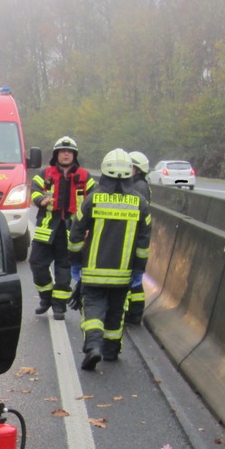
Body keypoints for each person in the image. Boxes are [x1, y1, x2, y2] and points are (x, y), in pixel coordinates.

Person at [68, 148, 152, 371]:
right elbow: (143, 244)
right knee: (116, 311)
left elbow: (76, 235)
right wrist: (138, 270)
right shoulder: (141, 204)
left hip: (94, 273)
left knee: (94, 311)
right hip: (123, 274)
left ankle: (93, 346)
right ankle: (111, 351)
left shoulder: (92, 200)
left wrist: (75, 262)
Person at [29, 136, 91, 320]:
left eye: (69, 151)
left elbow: (94, 200)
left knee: (64, 269)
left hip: (71, 230)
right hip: (47, 228)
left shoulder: (84, 176)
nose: (66, 154)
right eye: (62, 151)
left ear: (74, 155)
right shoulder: (45, 174)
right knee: (37, 264)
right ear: (56, 154)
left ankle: (59, 306)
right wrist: (41, 200)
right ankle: (46, 298)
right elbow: (34, 192)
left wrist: (88, 227)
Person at [123, 151, 152, 326]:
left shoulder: (139, 187)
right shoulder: (137, 184)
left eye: (130, 167)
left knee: (133, 280)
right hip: (132, 236)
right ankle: (133, 312)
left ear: (138, 170)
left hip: (133, 238)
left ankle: (134, 313)